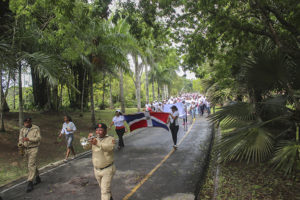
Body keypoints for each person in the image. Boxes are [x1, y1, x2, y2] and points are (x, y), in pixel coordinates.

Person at [88, 123, 116, 200]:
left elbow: (110, 148)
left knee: (104, 191)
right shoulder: (94, 138)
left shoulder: (110, 139)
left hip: (107, 169)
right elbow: (86, 147)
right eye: (96, 130)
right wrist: (88, 141)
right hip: (96, 170)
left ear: (105, 131)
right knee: (104, 189)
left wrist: (97, 143)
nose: (98, 132)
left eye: (100, 130)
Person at [18, 117, 42, 193]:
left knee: (31, 164)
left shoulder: (36, 128)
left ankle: (30, 182)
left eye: (28, 122)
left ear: (31, 122)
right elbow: (20, 139)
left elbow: (39, 138)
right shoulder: (22, 130)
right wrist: (20, 145)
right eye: (25, 123)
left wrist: (29, 139)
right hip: (25, 149)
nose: (27, 124)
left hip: (34, 148)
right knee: (32, 164)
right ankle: (37, 177)